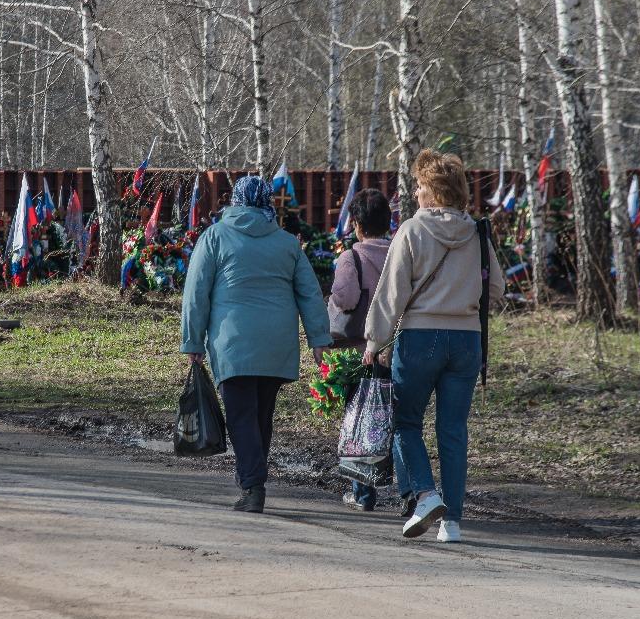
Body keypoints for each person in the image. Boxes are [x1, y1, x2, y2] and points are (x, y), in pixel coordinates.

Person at [363, 150, 503, 542]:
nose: (415, 191)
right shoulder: (478, 233)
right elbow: (496, 288)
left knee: (405, 421)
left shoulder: (411, 230)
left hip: (420, 338)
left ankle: (425, 494)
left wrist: (374, 340)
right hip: (466, 341)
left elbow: (391, 294)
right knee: (453, 430)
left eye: (420, 185)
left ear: (432, 192)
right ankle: (452, 523)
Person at [181, 176, 333, 513]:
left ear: (235, 201)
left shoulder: (215, 237)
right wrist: (319, 338)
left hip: (232, 342)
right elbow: (309, 293)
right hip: (277, 344)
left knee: (240, 416)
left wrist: (192, 340)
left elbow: (196, 294)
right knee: (261, 415)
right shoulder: (287, 243)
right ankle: (254, 480)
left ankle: (253, 486)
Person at [328, 189, 415, 514]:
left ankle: (363, 493)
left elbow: (346, 299)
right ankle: (409, 492)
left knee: (363, 419)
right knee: (399, 422)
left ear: (357, 224)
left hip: (362, 350)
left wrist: (333, 295)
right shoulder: (401, 251)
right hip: (399, 349)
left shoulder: (352, 257)